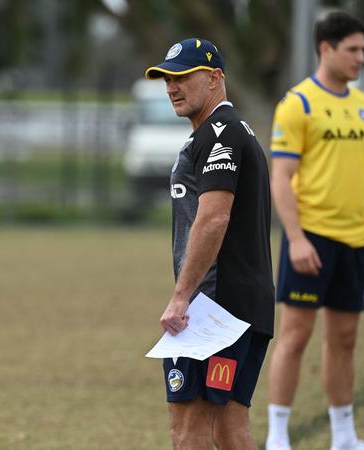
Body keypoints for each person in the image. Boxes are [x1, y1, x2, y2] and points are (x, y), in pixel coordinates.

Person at [266, 11, 364, 450]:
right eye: (353, 49)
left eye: (363, 49)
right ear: (326, 48)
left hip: (354, 239)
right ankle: (278, 435)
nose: (361, 57)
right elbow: (280, 177)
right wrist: (297, 238)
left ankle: (344, 435)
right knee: (296, 335)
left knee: (344, 337)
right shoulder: (297, 103)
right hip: (311, 238)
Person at [145, 37, 275, 450]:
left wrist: (182, 297)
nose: (171, 87)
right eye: (167, 78)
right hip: (241, 305)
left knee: (188, 427)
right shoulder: (227, 133)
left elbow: (214, 217)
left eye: (182, 76)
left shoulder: (222, 134)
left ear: (215, 77)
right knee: (229, 427)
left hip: (215, 310)